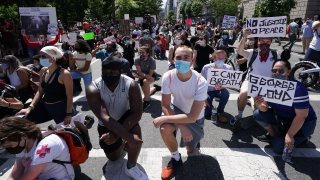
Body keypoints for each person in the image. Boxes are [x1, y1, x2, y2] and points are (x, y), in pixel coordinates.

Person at [86, 56, 148, 180]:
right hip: (106, 124)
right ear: (101, 71)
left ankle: (131, 166)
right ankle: (124, 143)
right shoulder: (93, 88)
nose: (109, 75)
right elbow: (105, 117)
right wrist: (127, 137)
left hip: (126, 119)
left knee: (136, 135)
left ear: (120, 72)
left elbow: (137, 113)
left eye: (113, 73)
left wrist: (119, 135)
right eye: (106, 72)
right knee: (113, 157)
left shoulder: (131, 84)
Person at [153, 46, 208, 180]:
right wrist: (182, 127)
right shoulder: (168, 76)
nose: (182, 61)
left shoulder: (201, 81)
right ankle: (176, 159)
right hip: (175, 109)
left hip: (194, 117)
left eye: (186, 58)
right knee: (164, 128)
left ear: (192, 61)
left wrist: (165, 119)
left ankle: (193, 142)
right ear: (173, 59)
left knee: (191, 150)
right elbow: (165, 105)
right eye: (178, 58)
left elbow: (192, 116)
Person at [253, 59, 317, 161]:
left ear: (289, 72)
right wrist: (261, 106)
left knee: (278, 148)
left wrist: (289, 135)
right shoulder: (269, 84)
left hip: (304, 123)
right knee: (257, 114)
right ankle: (275, 135)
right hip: (285, 119)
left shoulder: (298, 89)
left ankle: (303, 137)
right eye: (274, 71)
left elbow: (302, 116)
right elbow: (264, 108)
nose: (277, 73)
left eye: (281, 71)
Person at [0, 116, 75, 179]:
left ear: (22, 136)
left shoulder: (45, 146)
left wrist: (26, 168)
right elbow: (15, 173)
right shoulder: (23, 143)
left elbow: (29, 177)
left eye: (10, 145)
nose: (10, 149)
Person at [16, 46, 74, 125]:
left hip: (61, 109)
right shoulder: (43, 71)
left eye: (43, 56)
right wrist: (30, 107)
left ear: (53, 58)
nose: (40, 59)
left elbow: (69, 96)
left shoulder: (64, 74)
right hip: (47, 107)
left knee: (69, 133)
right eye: (40, 56)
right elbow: (40, 91)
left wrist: (68, 114)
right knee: (23, 119)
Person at [232, 28, 278, 126]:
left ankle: (253, 100)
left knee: (259, 108)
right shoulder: (253, 52)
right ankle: (239, 114)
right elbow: (240, 51)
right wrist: (244, 36)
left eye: (268, 41)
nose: (265, 43)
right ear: (258, 41)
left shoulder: (275, 53)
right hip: (250, 81)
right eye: (262, 41)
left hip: (265, 83)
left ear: (271, 42)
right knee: (243, 94)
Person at [201, 50, 232, 123]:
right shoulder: (206, 67)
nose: (220, 60)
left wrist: (223, 87)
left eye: (222, 58)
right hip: (208, 90)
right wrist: (204, 99)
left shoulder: (229, 68)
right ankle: (210, 108)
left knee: (225, 94)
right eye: (218, 58)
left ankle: (220, 111)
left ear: (225, 59)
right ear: (213, 58)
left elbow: (230, 82)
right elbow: (201, 83)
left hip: (221, 90)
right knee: (207, 114)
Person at [133, 46, 161, 110]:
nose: (141, 54)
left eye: (143, 52)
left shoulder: (152, 60)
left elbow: (150, 75)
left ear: (148, 53)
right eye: (140, 52)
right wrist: (140, 76)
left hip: (151, 75)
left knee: (145, 82)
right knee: (146, 93)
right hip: (142, 76)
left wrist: (141, 76)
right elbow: (139, 71)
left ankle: (147, 101)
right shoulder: (137, 59)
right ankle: (155, 88)